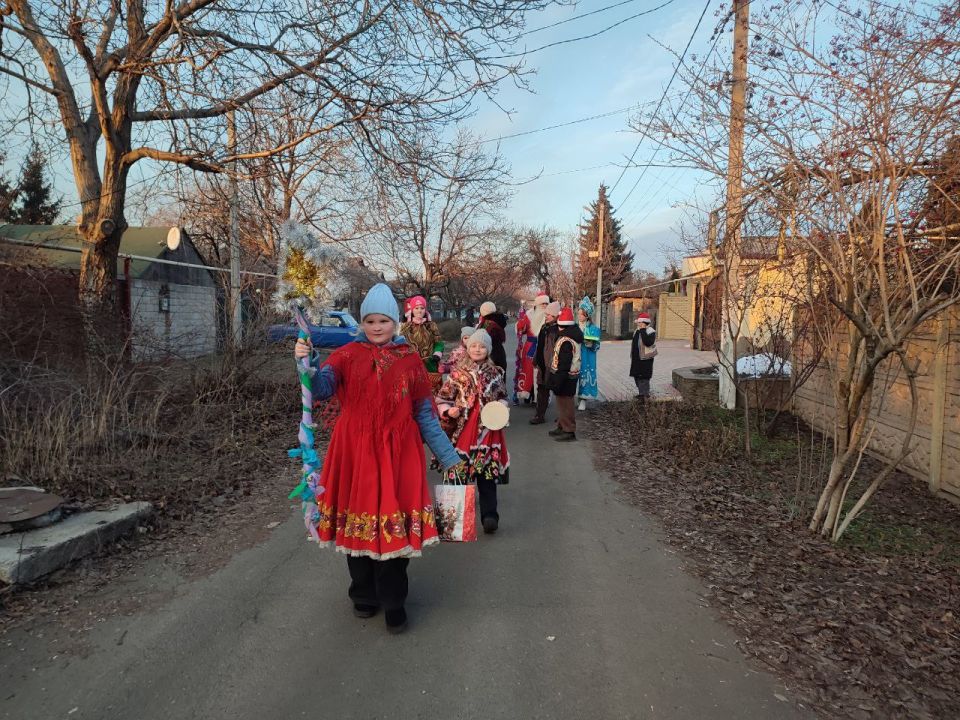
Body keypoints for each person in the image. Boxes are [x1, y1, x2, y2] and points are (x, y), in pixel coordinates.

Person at [294, 283, 461, 634]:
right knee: (357, 523)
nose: (377, 326)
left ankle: (394, 600)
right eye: (370, 320)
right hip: (354, 453)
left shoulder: (410, 360)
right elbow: (322, 388)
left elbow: (425, 414)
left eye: (383, 319)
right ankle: (364, 594)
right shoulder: (346, 355)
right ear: (362, 322)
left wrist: (448, 457)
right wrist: (307, 361)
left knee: (394, 526)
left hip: (399, 456)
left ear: (396, 322)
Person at [435, 328, 510, 534]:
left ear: (488, 350)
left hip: (487, 433)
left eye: (482, 346)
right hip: (462, 431)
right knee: (457, 473)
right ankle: (452, 520)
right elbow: (442, 398)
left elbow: (503, 396)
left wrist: (501, 408)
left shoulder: (495, 373)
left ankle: (489, 516)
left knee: (486, 476)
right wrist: (448, 410)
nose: (478, 349)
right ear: (468, 348)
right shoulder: (457, 373)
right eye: (474, 346)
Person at [547, 307, 584, 442]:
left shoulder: (567, 341)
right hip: (565, 376)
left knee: (566, 405)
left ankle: (569, 431)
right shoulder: (568, 336)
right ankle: (562, 426)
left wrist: (557, 381)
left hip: (566, 377)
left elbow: (564, 364)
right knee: (561, 404)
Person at [400, 295, 444, 390]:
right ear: (412, 310)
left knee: (432, 393)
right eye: (416, 308)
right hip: (411, 366)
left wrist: (437, 353)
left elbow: (439, 342)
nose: (419, 310)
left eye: (422, 308)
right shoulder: (405, 326)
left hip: (430, 365)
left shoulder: (431, 325)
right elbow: (400, 344)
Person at [530, 301, 560, 425]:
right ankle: (539, 415)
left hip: (553, 365)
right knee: (541, 390)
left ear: (555, 316)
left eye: (548, 314)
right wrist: (536, 359)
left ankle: (562, 416)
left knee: (558, 391)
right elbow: (540, 345)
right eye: (546, 314)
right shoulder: (544, 327)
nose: (546, 316)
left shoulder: (558, 329)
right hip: (542, 364)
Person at [576, 296, 601, 411]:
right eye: (579, 313)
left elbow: (597, 344)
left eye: (581, 314)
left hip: (586, 356)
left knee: (585, 375)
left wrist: (590, 343)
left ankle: (583, 399)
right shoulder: (574, 326)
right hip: (575, 354)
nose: (579, 316)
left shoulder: (593, 328)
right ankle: (576, 396)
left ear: (587, 315)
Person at [630, 311, 657, 404]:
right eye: (638, 323)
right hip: (637, 359)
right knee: (637, 376)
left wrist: (643, 330)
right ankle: (642, 393)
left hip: (646, 359)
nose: (638, 324)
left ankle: (644, 395)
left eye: (640, 323)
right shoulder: (637, 331)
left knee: (644, 377)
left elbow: (647, 342)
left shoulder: (650, 332)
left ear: (644, 323)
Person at [476, 301, 508, 375]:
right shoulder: (498, 320)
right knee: (500, 378)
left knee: (489, 379)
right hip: (499, 352)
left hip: (489, 355)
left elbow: (481, 339)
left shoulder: (487, 324)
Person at [514, 306, 536, 404]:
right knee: (528, 370)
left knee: (539, 373)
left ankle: (537, 395)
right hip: (530, 346)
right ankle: (527, 392)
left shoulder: (548, 316)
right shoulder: (529, 316)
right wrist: (522, 320)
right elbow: (520, 329)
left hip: (544, 346)